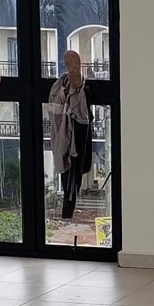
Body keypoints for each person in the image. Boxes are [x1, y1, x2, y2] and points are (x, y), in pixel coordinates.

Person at [47, 49, 92, 219]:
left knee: (72, 173)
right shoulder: (58, 88)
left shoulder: (57, 90)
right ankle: (68, 210)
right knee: (72, 173)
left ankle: (68, 210)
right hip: (72, 127)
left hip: (74, 129)